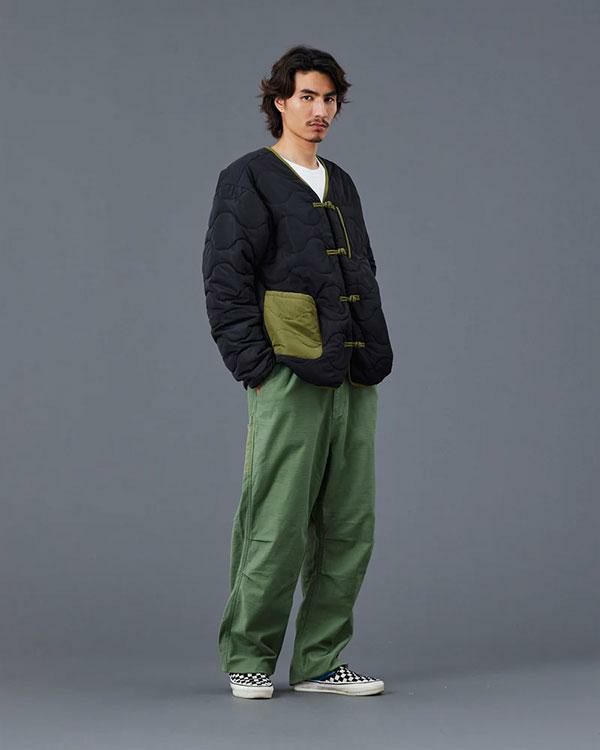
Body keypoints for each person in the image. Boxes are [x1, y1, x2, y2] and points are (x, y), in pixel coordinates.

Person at [202, 45, 393, 699]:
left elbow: (362, 268)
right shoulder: (248, 178)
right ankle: (248, 656)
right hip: (287, 371)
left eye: (329, 98)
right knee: (276, 519)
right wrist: (256, 368)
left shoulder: (342, 182)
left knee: (349, 522)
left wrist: (369, 343)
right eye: (307, 96)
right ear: (279, 100)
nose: (320, 110)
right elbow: (226, 280)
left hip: (354, 371)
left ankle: (319, 661)